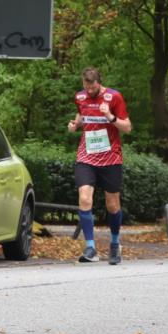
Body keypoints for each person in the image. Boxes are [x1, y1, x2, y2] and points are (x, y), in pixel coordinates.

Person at [67, 67, 132, 265]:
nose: (89, 91)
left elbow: (128, 128)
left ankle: (114, 243)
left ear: (99, 83)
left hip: (111, 158)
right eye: (86, 87)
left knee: (112, 204)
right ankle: (90, 248)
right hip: (86, 157)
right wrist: (75, 125)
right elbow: (81, 115)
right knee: (85, 199)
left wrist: (110, 117)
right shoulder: (80, 97)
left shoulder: (114, 97)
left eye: (93, 87)